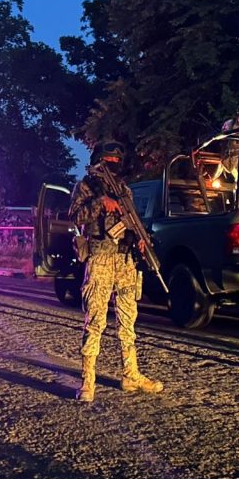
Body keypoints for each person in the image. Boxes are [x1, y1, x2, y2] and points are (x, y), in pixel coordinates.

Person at [69, 140, 164, 403]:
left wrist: (141, 240)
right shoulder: (85, 186)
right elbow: (75, 216)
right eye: (108, 160)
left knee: (128, 321)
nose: (113, 164)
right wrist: (100, 202)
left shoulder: (124, 190)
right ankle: (88, 380)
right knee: (95, 319)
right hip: (100, 257)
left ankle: (130, 374)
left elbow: (133, 222)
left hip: (125, 260)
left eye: (116, 161)